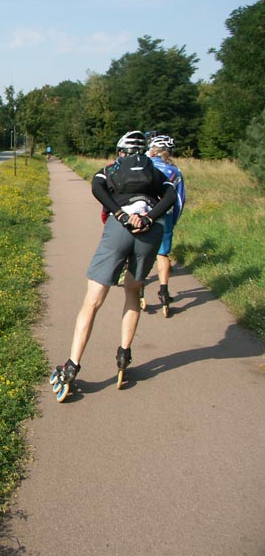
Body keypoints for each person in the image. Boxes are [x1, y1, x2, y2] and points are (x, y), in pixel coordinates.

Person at [50, 130, 178, 401]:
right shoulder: (154, 173)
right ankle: (123, 355)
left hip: (119, 231)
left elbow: (96, 188)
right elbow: (169, 197)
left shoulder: (111, 169)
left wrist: (120, 213)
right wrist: (148, 218)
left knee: (93, 300)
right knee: (133, 292)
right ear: (143, 152)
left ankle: (72, 366)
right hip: (149, 233)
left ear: (120, 151)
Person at [147, 135, 185, 316]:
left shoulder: (145, 165)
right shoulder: (175, 171)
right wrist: (174, 220)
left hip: (145, 213)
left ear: (153, 149)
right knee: (163, 254)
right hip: (166, 216)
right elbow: (179, 200)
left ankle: (138, 289)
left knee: (139, 252)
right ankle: (163, 290)